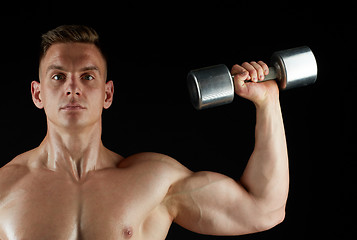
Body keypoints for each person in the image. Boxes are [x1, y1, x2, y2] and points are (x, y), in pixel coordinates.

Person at [0, 25, 289, 239]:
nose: (72, 88)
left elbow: (264, 210)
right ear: (38, 94)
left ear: (107, 94)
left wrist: (268, 102)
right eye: (58, 76)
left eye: (87, 76)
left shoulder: (152, 182)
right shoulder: (5, 187)